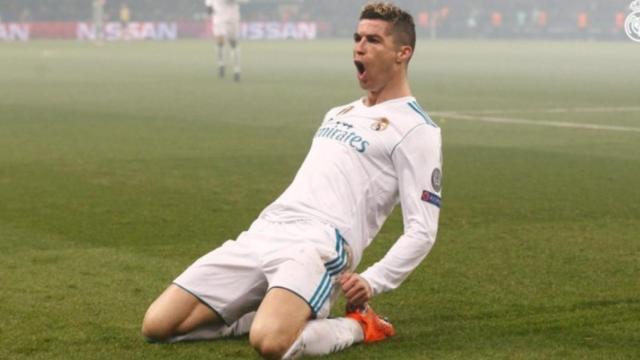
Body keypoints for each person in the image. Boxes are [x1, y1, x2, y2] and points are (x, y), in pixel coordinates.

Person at [142, 2, 443, 359]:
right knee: (158, 326)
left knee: (271, 343)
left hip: (319, 245)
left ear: (402, 53)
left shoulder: (417, 130)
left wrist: (372, 280)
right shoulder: (339, 112)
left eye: (373, 40)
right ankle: (265, 312)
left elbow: (422, 230)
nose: (359, 47)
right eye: (357, 37)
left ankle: (359, 326)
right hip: (266, 230)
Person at [205, 0, 242, 81]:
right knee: (220, 40)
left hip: (233, 18)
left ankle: (236, 70)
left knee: (233, 43)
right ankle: (221, 63)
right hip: (219, 17)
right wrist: (208, 5)